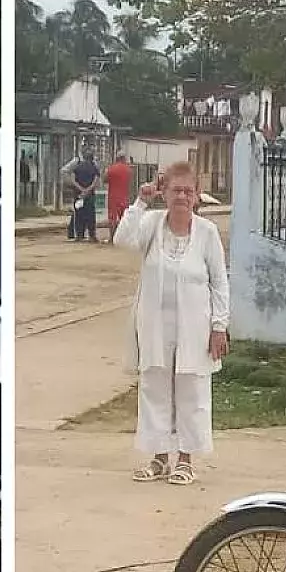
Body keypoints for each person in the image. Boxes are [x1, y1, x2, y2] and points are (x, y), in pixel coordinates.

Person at [114, 162, 229, 486]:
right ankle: (159, 458)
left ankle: (186, 460)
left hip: (195, 327)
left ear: (196, 196)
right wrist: (140, 202)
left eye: (187, 191)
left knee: (191, 391)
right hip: (154, 325)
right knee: (155, 387)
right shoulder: (151, 224)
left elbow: (220, 282)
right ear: (164, 193)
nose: (181, 196)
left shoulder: (206, 233)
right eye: (175, 190)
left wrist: (219, 326)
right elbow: (122, 240)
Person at [68, 148, 100, 242]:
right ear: (92, 158)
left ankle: (79, 235)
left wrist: (81, 189)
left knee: (79, 214)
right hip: (89, 195)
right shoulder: (94, 167)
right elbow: (96, 181)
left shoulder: (77, 167)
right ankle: (92, 235)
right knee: (90, 214)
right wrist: (87, 190)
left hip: (79, 195)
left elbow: (73, 179)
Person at [104, 153, 132, 244]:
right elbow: (130, 182)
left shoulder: (111, 169)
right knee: (125, 218)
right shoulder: (128, 170)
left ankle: (112, 238)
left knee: (112, 218)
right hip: (124, 196)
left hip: (113, 196)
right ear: (123, 158)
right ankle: (124, 238)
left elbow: (105, 180)